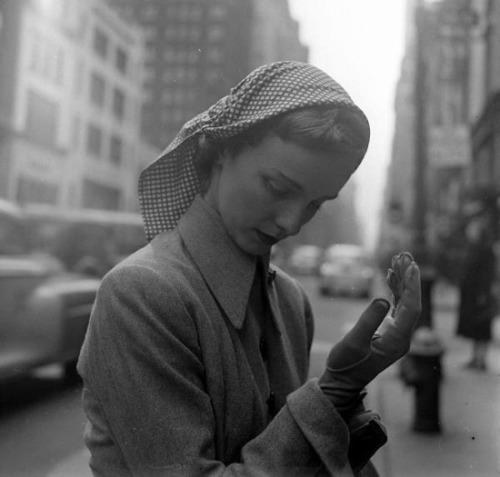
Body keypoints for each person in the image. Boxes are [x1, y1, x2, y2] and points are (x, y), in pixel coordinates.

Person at [77, 61, 421, 476]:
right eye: (277, 187)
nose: (292, 223)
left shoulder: (290, 301)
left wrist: (346, 411)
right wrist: (333, 393)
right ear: (221, 149)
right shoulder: (141, 294)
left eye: (315, 204)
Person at [457, 214, 497, 371]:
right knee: (475, 326)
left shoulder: (486, 250)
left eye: (472, 230)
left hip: (481, 295)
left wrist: (483, 294)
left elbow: (488, 274)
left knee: (482, 326)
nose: (470, 232)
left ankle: (481, 360)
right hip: (473, 295)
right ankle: (475, 358)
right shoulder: (473, 249)